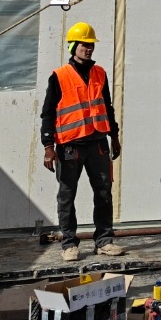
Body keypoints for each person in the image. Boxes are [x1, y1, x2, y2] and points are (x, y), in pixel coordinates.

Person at [41, 22, 125, 261]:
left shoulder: (100, 74)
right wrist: (48, 147)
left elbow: (107, 108)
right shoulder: (58, 76)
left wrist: (114, 136)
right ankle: (69, 244)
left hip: (98, 143)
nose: (88, 49)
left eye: (90, 45)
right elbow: (48, 113)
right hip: (70, 147)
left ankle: (104, 241)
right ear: (72, 46)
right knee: (67, 196)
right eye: (83, 45)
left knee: (104, 193)